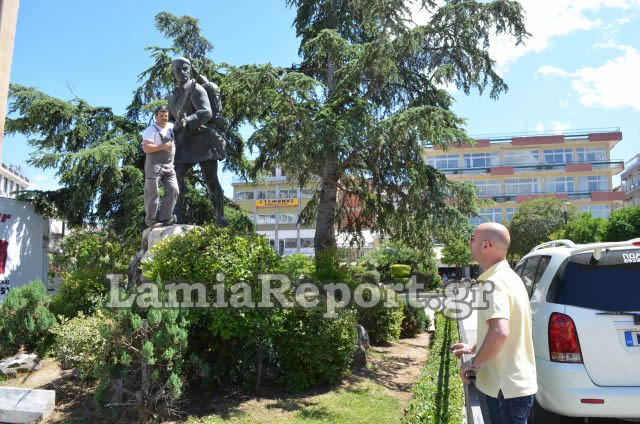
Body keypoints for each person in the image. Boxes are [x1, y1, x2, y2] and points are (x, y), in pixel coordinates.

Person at [451, 222, 537, 424]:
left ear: (485, 245)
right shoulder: (510, 277)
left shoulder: (494, 283)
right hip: (515, 385)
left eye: (472, 239)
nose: (469, 243)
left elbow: (500, 332)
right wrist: (474, 347)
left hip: (503, 390)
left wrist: (473, 364)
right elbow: (504, 330)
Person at [168, 56, 228, 226]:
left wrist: (189, 120)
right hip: (183, 141)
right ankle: (176, 214)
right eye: (178, 69)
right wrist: (174, 125)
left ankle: (220, 216)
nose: (182, 72)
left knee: (211, 179)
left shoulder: (196, 88)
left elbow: (206, 112)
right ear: (173, 72)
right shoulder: (172, 97)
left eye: (185, 68)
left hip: (202, 140)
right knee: (176, 176)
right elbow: (171, 118)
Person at [142, 106, 179, 228]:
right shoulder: (150, 130)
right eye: (161, 116)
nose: (164, 118)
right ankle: (151, 221)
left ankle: (165, 218)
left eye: (166, 116)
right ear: (156, 116)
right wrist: (161, 147)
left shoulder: (171, 127)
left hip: (169, 165)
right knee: (153, 193)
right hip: (154, 165)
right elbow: (146, 148)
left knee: (174, 190)